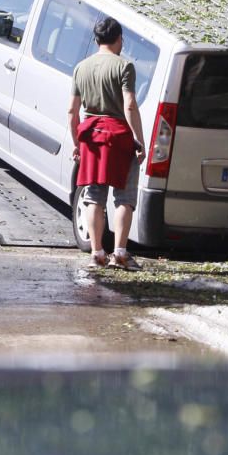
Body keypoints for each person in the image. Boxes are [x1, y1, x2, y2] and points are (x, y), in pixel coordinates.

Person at [68, 17, 147, 270]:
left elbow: (72, 111)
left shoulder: (81, 67)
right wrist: (140, 140)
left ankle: (97, 252)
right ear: (119, 39)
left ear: (95, 39)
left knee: (93, 196)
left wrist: (76, 143)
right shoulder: (125, 66)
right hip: (118, 136)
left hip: (91, 136)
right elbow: (130, 104)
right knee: (124, 197)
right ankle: (121, 253)